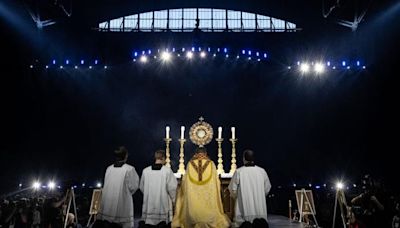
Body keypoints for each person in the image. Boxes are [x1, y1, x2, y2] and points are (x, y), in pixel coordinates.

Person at [172, 147, 230, 228]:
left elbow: (184, 182)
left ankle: (193, 218)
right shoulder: (211, 164)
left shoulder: (190, 164)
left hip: (192, 202)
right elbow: (216, 181)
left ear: (196, 154)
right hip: (208, 196)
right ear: (205, 154)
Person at [228, 149, 272, 228]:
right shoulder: (262, 171)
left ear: (244, 159)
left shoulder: (239, 172)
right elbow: (267, 188)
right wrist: (261, 195)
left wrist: (238, 197)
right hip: (260, 212)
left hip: (244, 215)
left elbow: (232, 189)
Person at [98, 146, 139, 228]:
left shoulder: (109, 169)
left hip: (108, 206)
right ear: (126, 156)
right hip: (122, 207)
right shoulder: (129, 169)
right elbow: (134, 186)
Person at [139, 150, 178, 227]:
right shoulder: (167, 171)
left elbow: (142, 187)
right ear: (163, 158)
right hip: (162, 206)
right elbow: (172, 188)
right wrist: (174, 200)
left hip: (149, 205)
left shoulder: (145, 171)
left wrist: (149, 194)